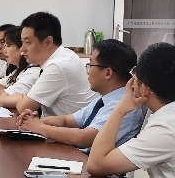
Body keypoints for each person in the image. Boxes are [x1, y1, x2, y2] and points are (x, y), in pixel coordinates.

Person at [87, 42, 175, 178]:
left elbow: (96, 164)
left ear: (145, 89)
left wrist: (120, 109)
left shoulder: (165, 129)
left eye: (134, 76)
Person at [16, 39, 144, 151]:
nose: (87, 72)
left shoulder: (125, 105)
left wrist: (39, 127)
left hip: (96, 169)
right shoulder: (104, 99)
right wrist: (33, 121)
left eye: (90, 65)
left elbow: (83, 138)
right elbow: (66, 120)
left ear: (108, 73)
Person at [14, 12, 97, 116]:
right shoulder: (65, 54)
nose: (22, 49)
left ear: (48, 42)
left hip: (70, 125)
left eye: (28, 42)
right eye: (22, 42)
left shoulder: (58, 66)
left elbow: (23, 107)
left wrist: (26, 97)